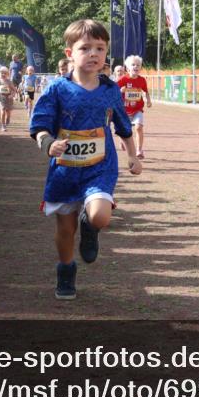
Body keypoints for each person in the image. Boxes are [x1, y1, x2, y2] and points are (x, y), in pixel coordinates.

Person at [30, 19, 141, 300]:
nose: (93, 54)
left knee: (100, 215)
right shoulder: (57, 89)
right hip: (65, 171)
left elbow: (123, 126)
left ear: (106, 54)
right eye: (85, 48)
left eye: (100, 48)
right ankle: (66, 271)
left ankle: (91, 227)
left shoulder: (110, 90)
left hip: (100, 167)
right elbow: (40, 125)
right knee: (66, 230)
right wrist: (48, 143)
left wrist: (133, 156)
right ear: (70, 53)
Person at [116, 55, 151, 159]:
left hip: (137, 109)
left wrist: (148, 100)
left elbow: (146, 91)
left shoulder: (142, 80)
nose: (136, 66)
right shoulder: (123, 79)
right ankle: (123, 140)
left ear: (140, 68)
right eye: (133, 64)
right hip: (125, 110)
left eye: (138, 65)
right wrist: (120, 91)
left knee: (139, 127)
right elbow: (112, 91)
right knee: (125, 131)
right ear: (127, 68)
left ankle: (139, 150)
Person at [0, 66, 18, 132]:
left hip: (9, 99)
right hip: (1, 98)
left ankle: (8, 118)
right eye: (2, 73)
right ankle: (3, 126)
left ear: (7, 74)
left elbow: (14, 90)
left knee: (8, 112)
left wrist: (12, 95)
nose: (3, 74)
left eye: (5, 73)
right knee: (3, 110)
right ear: (0, 74)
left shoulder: (9, 81)